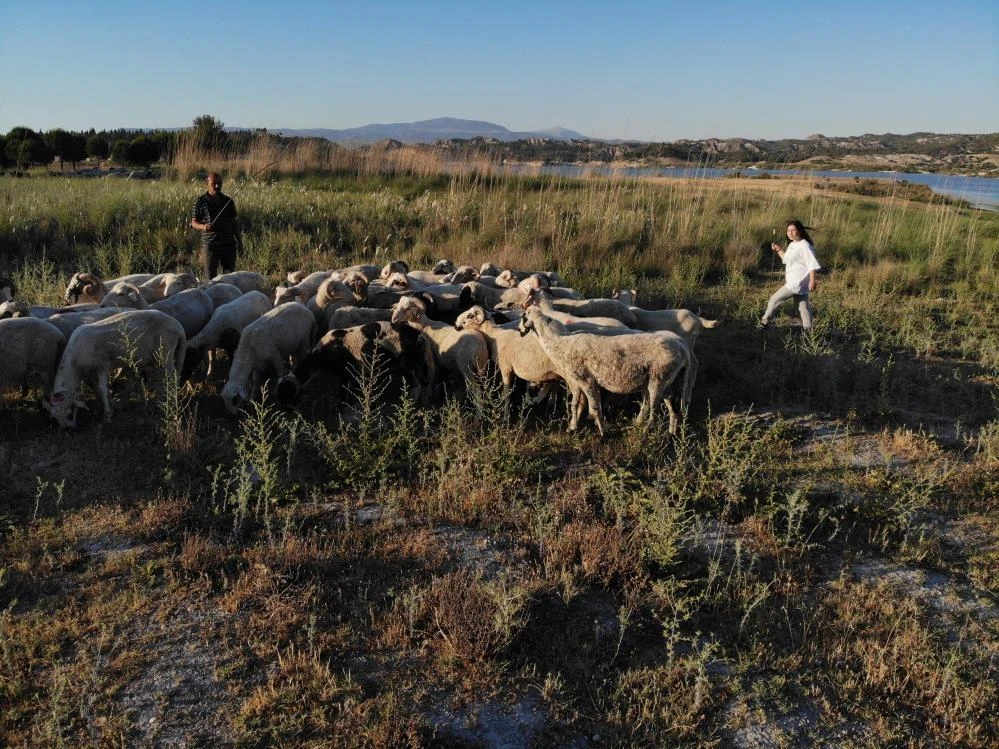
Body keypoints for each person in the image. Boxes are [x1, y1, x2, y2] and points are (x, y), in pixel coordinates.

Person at [759, 219, 821, 330]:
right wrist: (778, 250)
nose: (790, 233)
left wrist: (812, 280)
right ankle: (809, 331)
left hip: (796, 283)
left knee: (774, 299)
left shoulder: (804, 245)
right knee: (803, 308)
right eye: (788, 230)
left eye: (793, 230)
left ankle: (764, 322)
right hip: (800, 283)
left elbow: (812, 263)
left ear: (800, 231)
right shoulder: (793, 244)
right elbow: (787, 259)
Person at [190, 172, 242, 279]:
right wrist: (203, 227)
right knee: (210, 278)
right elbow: (194, 223)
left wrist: (240, 242)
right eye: (214, 183)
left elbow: (234, 223)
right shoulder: (200, 202)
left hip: (228, 244)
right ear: (207, 183)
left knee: (229, 277)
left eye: (220, 183)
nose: (217, 186)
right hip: (210, 245)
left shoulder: (228, 201)